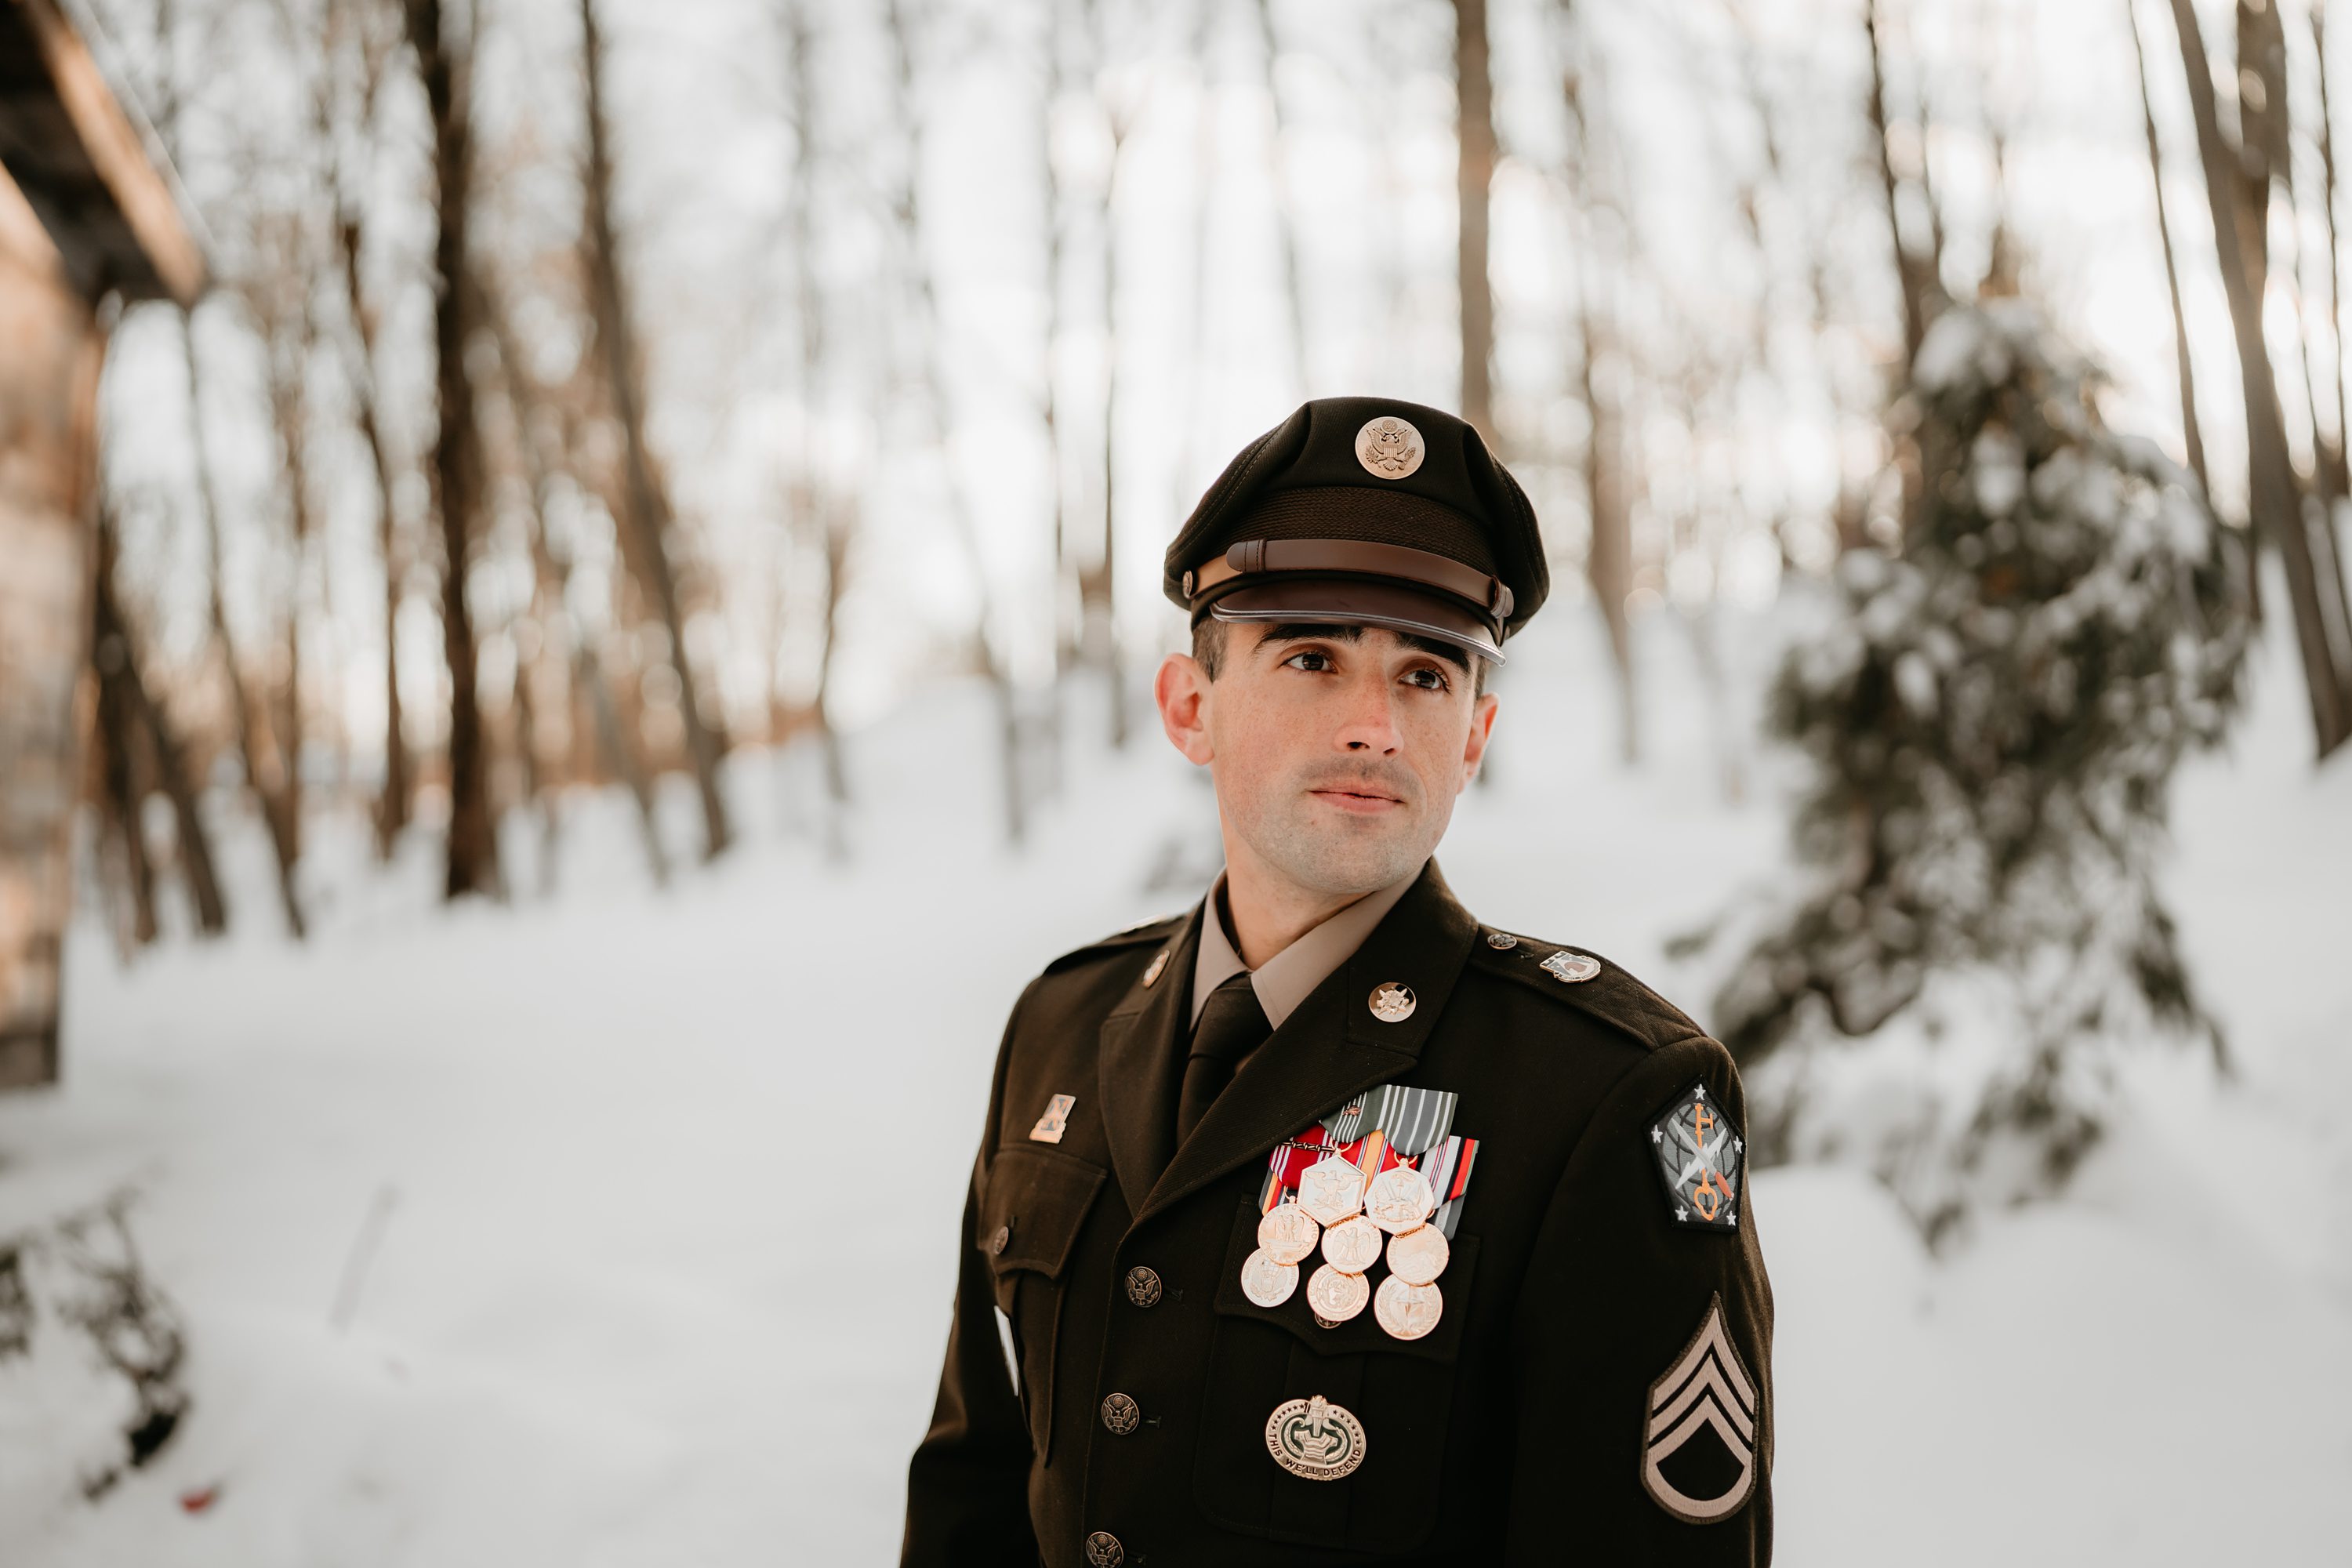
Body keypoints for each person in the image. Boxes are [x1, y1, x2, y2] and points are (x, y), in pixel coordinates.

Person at [902, 397, 1773, 1567]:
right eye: (1312, 657)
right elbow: (977, 1487)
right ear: (1189, 707)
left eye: (1425, 676)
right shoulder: (1061, 1025)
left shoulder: (1606, 1097)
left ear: (1475, 736)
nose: (1374, 725)